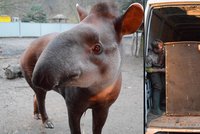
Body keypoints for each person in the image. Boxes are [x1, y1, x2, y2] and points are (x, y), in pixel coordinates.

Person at [145, 39, 165, 115]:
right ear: (155, 49)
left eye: (162, 46)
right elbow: (147, 69)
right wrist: (161, 70)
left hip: (161, 70)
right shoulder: (149, 57)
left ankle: (160, 104)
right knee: (158, 87)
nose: (162, 48)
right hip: (154, 72)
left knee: (163, 87)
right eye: (160, 48)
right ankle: (155, 108)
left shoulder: (163, 51)